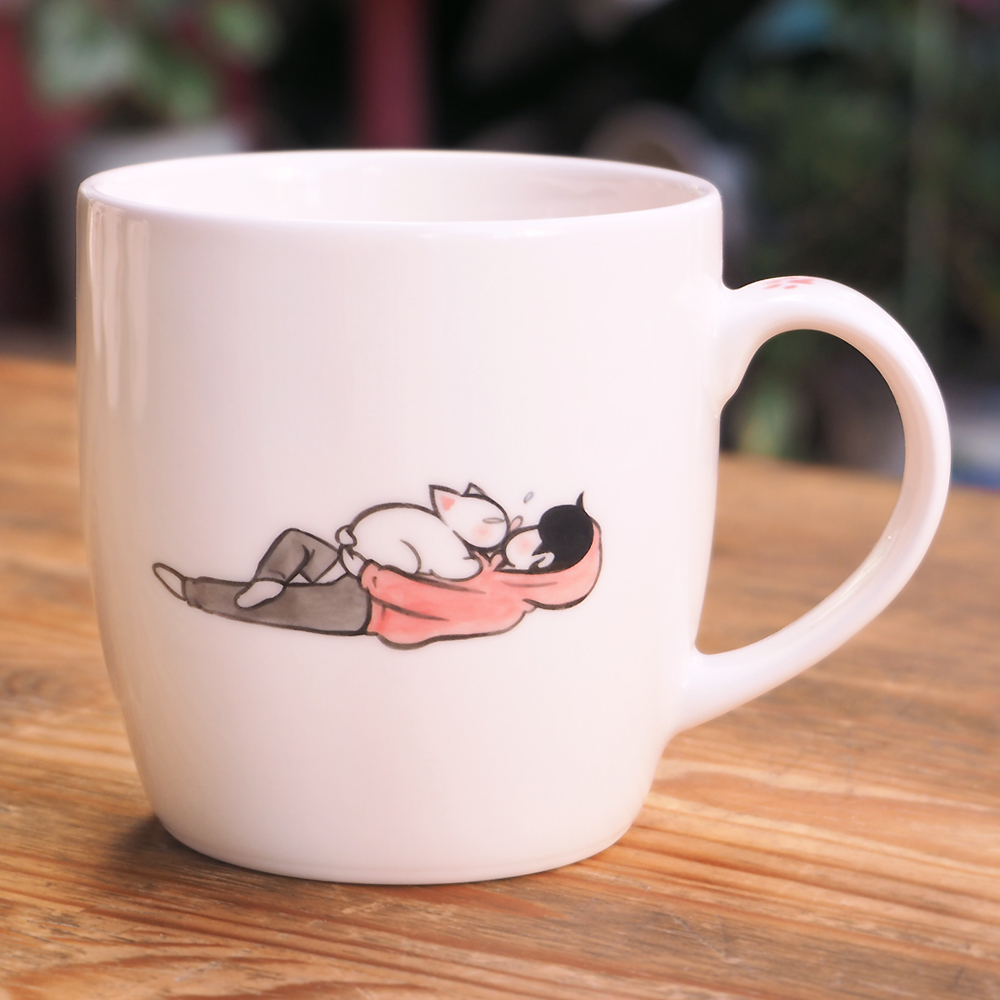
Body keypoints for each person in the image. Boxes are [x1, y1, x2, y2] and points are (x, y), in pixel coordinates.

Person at [153, 498, 601, 648]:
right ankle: (264, 580)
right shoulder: (496, 572)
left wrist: (365, 569)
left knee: (284, 609)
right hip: (364, 580)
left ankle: (195, 592)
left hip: (370, 607)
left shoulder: (504, 604)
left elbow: (428, 601)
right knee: (297, 542)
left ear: (541, 561)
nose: (519, 530)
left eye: (531, 536)